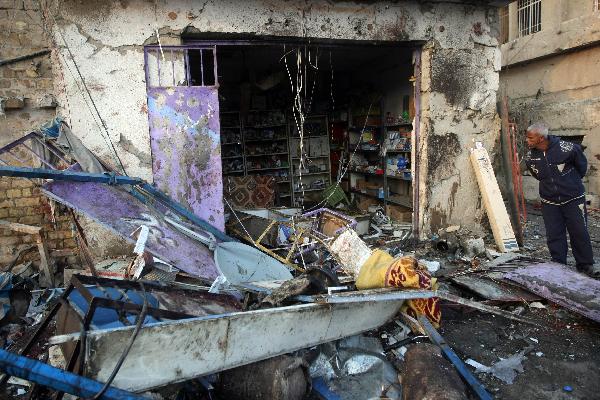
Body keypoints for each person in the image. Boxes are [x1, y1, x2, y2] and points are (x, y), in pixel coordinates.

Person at [525, 123, 599, 278]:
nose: (527, 140)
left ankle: (585, 265)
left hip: (573, 199)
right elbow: (537, 174)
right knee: (554, 234)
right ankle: (558, 264)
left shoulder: (568, 148)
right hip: (549, 202)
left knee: (579, 231)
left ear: (541, 138)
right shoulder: (531, 156)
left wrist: (569, 183)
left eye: (530, 137)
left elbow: (581, 167)